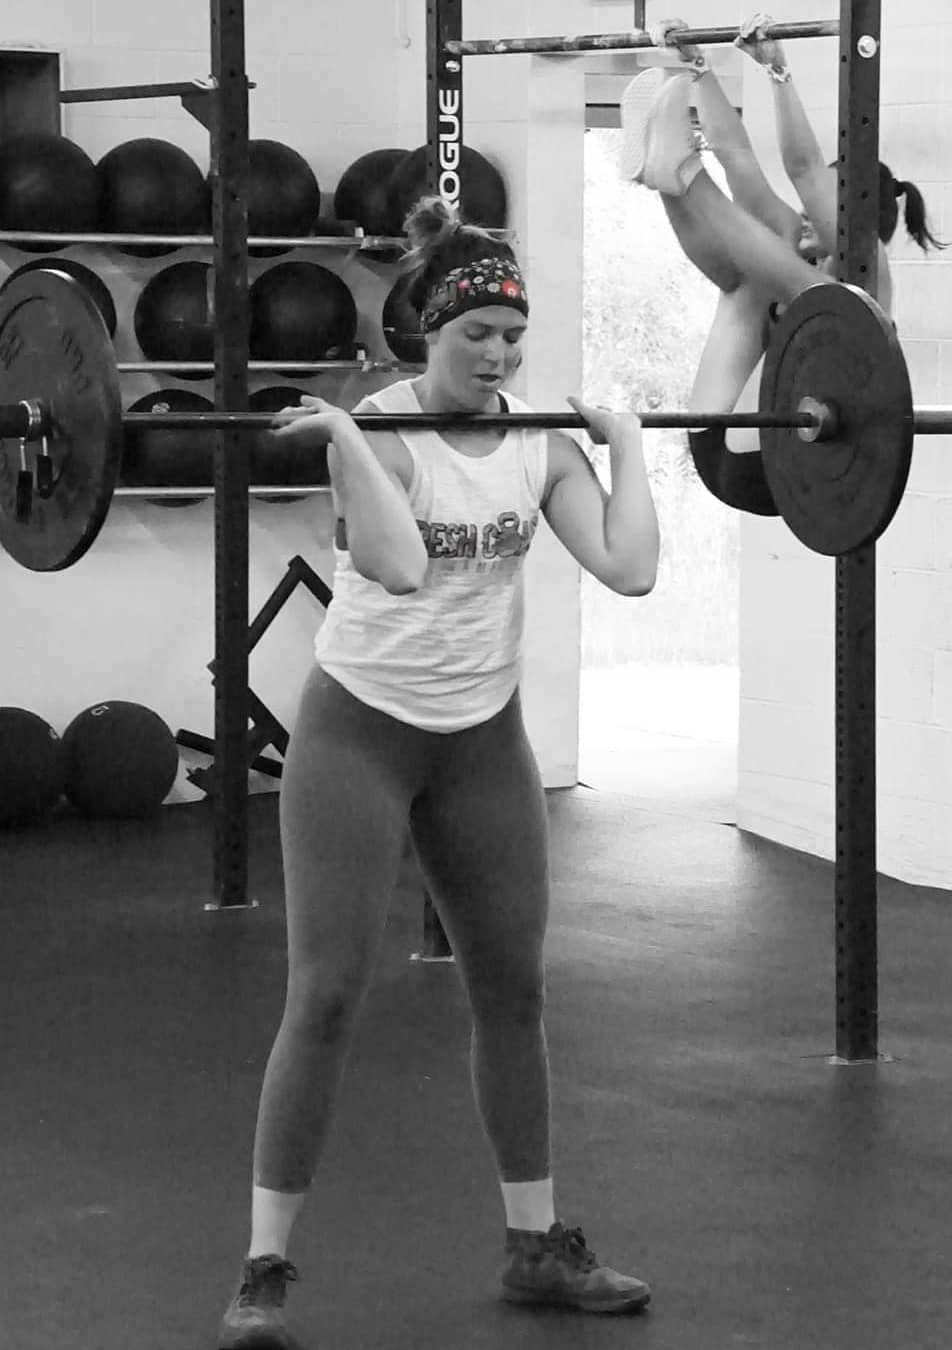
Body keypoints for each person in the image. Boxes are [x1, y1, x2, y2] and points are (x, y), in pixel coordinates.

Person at [217, 196, 658, 1349]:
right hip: (360, 738)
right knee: (326, 996)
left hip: (480, 743)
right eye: (477, 337)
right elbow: (402, 566)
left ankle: (536, 1248)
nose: (498, 356)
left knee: (514, 991)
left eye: (513, 336)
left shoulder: (541, 442)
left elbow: (630, 568)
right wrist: (348, 440)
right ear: (428, 331)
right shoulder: (379, 431)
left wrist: (625, 448)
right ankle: (263, 1270)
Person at [619, 12, 946, 515]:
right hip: (716, 441)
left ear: (858, 219)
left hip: (788, 469)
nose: (805, 216)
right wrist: (699, 71)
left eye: (822, 208)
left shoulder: (871, 275)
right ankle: (665, 178)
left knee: (819, 295)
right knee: (749, 279)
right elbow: (738, 156)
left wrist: (779, 73)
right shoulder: (794, 241)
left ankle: (683, 176)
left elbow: (803, 168)